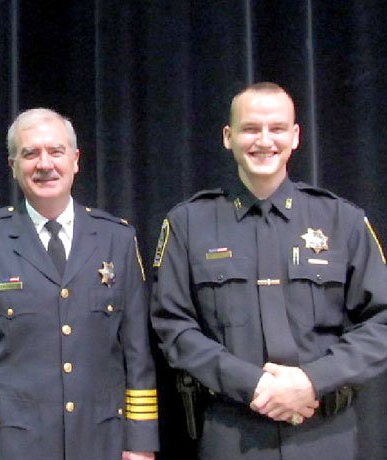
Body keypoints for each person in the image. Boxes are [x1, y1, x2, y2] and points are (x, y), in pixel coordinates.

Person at [150, 82, 387, 459]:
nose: (264, 141)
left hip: (325, 434)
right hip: (232, 432)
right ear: (228, 137)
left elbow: (381, 322)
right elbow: (173, 327)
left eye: (277, 129)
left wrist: (312, 380)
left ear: (295, 136)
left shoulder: (343, 221)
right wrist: (254, 385)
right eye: (250, 129)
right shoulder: (188, 224)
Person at [0, 108, 159, 460]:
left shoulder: (118, 239)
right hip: (11, 446)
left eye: (56, 152)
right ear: (12, 165)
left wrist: (140, 443)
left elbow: (138, 354)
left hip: (101, 440)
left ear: (75, 160)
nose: (45, 164)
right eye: (30, 153)